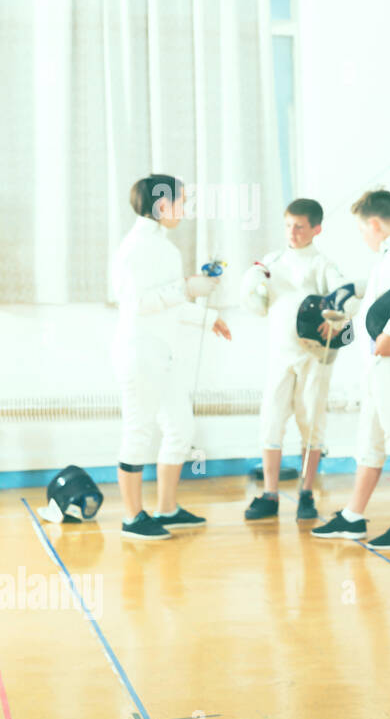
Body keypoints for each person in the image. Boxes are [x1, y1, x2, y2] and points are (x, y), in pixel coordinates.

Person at [311, 189, 390, 550]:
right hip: (379, 367)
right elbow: (385, 295)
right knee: (370, 442)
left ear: (376, 224)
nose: (363, 237)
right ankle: (353, 516)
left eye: (362, 230)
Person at [111, 174, 230, 539]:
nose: (185, 210)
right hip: (139, 353)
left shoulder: (166, 248)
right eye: (181, 202)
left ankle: (166, 509)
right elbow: (139, 304)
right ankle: (133, 518)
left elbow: (171, 305)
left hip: (163, 354)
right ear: (162, 205)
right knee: (138, 431)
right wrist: (187, 287)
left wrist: (209, 316)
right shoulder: (134, 249)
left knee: (180, 427)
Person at [239, 198, 359, 522]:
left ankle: (306, 494)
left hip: (313, 358)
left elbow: (346, 298)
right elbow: (257, 303)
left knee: (311, 425)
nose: (292, 232)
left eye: (300, 226)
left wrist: (335, 318)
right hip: (280, 357)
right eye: (288, 225)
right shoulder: (272, 261)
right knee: (271, 422)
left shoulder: (323, 265)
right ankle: (270, 494)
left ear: (316, 229)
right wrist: (253, 285)